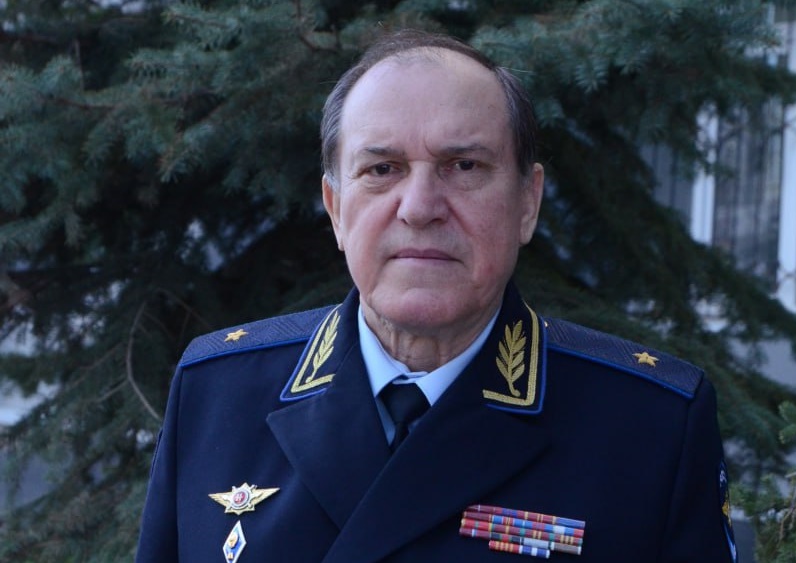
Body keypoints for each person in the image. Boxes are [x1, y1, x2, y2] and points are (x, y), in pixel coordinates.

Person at [136, 29, 737, 563]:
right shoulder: (216, 393)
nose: (420, 208)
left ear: (527, 203)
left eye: (464, 166)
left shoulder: (650, 426)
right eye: (382, 169)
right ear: (336, 207)